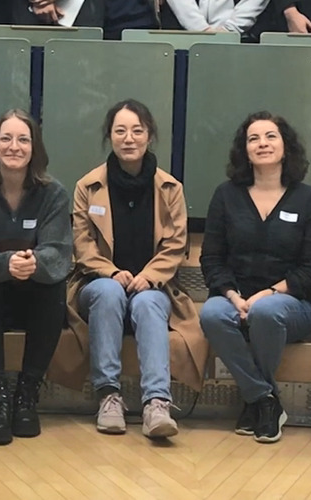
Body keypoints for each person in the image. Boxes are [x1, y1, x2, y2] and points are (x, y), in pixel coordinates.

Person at [56, 100, 204, 440]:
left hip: (153, 288)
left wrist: (148, 277)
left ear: (149, 136)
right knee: (109, 293)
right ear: (110, 136)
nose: (129, 138)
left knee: (148, 302)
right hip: (97, 286)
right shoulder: (88, 186)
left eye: (137, 130)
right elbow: (82, 244)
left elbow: (175, 245)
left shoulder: (170, 188)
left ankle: (157, 403)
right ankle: (108, 396)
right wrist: (110, 272)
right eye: (120, 130)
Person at [198, 112, 311, 444]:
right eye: (253, 138)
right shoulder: (226, 195)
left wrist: (269, 293)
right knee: (211, 314)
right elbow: (211, 259)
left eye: (271, 136)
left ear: (286, 146)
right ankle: (263, 399)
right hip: (235, 298)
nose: (262, 144)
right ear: (244, 149)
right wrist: (232, 295)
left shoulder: (308, 199)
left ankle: (254, 400)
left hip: (292, 304)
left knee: (266, 312)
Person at [0, 110, 71, 446]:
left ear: (34, 148)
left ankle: (26, 395)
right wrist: (6, 263)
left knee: (53, 286)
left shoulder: (54, 193)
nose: (14, 146)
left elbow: (58, 252)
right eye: (5, 138)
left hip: (34, 299)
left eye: (23, 139)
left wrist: (32, 262)